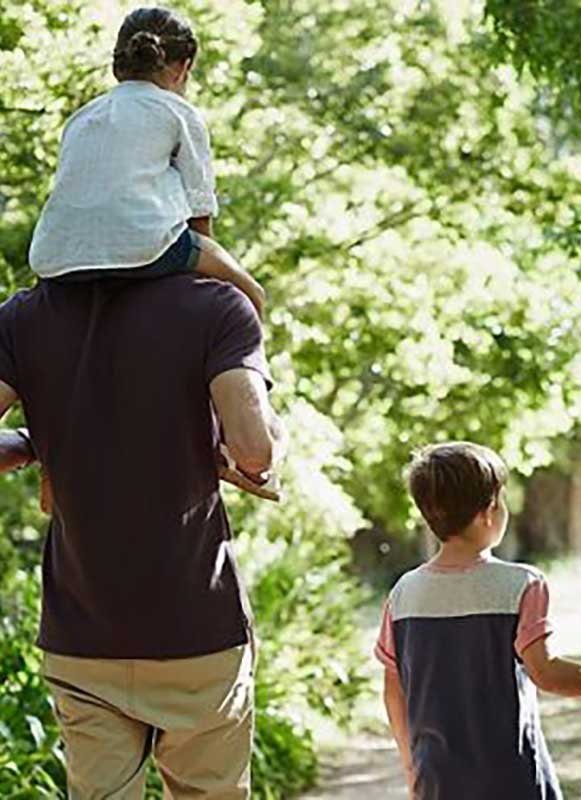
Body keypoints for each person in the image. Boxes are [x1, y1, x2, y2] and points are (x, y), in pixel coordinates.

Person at [0, 267, 286, 796]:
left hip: (82, 636)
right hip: (198, 629)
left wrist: (34, 441)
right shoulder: (218, 307)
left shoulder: (22, 318)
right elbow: (253, 451)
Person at [375, 442, 581, 800]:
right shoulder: (521, 584)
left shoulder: (403, 594)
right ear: (488, 512)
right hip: (511, 777)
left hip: (437, 778)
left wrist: (411, 765)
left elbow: (394, 689)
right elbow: (546, 673)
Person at [28, 6, 265, 313]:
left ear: (118, 63)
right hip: (144, 248)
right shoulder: (179, 112)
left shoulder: (81, 117)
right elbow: (200, 216)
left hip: (56, 257)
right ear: (183, 68)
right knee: (253, 295)